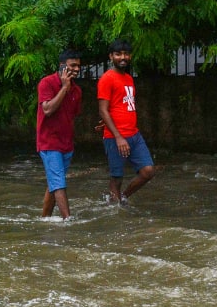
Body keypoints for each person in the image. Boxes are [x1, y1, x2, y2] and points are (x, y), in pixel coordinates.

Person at [97, 39, 158, 206]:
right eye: (118, 54)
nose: (123, 57)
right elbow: (103, 110)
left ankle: (121, 198)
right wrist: (118, 137)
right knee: (116, 178)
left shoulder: (129, 78)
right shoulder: (106, 79)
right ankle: (115, 215)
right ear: (111, 56)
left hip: (134, 134)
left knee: (148, 171)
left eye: (126, 54)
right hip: (115, 137)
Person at [36, 49, 83, 220]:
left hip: (66, 144)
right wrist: (64, 88)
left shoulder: (77, 91)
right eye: (72, 66)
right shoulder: (46, 83)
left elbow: (72, 117)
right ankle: (68, 220)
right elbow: (47, 109)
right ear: (62, 66)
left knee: (54, 183)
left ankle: (44, 219)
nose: (76, 69)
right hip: (49, 143)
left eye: (78, 66)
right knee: (58, 182)